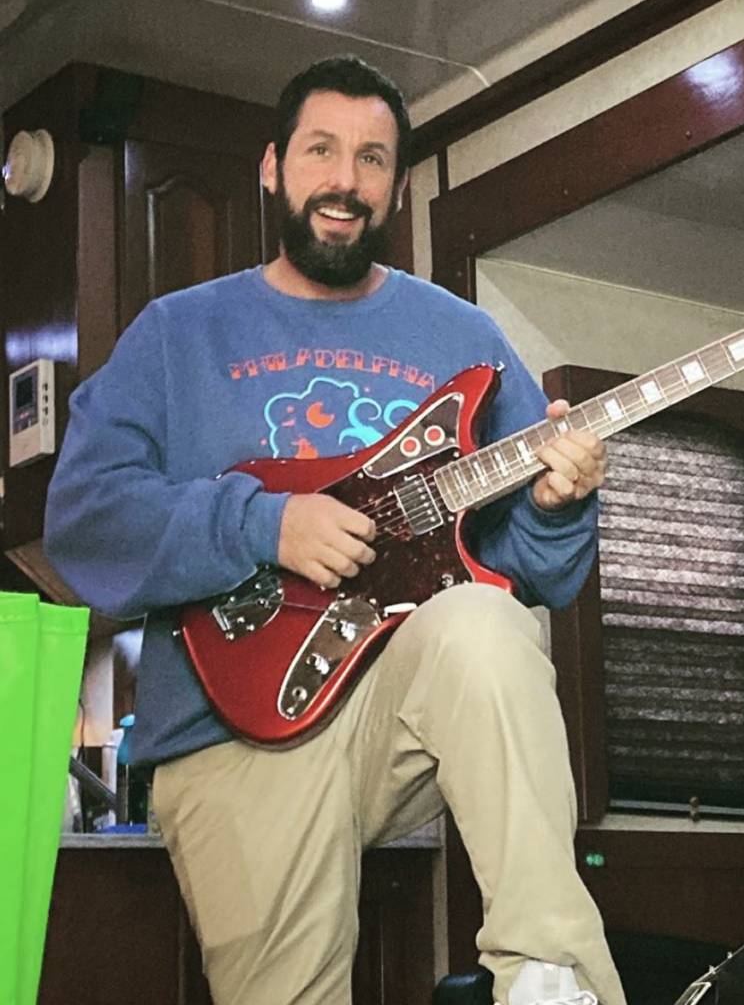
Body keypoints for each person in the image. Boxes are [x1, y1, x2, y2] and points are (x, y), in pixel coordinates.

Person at [43, 56, 626, 1005]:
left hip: (389, 712)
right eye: (321, 150)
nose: (345, 180)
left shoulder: (465, 339)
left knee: (482, 623)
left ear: (395, 185)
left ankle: (549, 974)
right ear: (273, 167)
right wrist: (264, 523)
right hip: (227, 737)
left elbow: (530, 573)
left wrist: (556, 507)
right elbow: (84, 519)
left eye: (371, 159)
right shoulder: (175, 333)